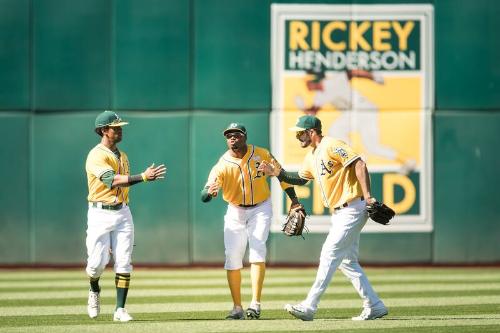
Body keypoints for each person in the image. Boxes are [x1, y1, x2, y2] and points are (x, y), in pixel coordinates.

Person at [259, 115, 388, 321]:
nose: (298, 136)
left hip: (353, 207)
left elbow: (360, 164)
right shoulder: (312, 155)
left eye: (300, 133)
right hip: (339, 213)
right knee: (347, 261)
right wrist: (277, 173)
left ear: (312, 132)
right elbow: (299, 179)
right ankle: (374, 305)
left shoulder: (332, 145)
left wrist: (369, 196)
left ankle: (309, 306)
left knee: (329, 254)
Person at [201, 122, 303, 320]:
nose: (232, 138)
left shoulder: (262, 154)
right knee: (232, 257)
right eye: (229, 135)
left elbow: (282, 177)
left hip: (260, 208)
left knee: (257, 248)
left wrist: (295, 201)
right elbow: (204, 195)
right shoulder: (222, 165)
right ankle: (237, 308)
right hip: (235, 211)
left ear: (245, 136)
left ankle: (255, 304)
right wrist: (209, 192)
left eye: (236, 135)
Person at [85, 110, 166, 322]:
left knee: (123, 260)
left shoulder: (123, 156)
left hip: (122, 212)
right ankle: (94, 289)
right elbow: (111, 180)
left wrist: (142, 177)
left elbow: (123, 183)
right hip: (99, 213)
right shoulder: (96, 155)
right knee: (96, 265)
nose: (120, 130)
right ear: (104, 130)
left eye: (120, 127)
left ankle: (119, 309)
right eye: (115, 127)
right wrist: (143, 176)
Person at [295, 69, 415, 175]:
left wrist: (372, 76)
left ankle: (355, 155)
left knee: (335, 130)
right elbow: (313, 113)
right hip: (360, 112)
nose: (306, 84)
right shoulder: (319, 95)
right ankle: (407, 161)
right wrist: (303, 108)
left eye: (308, 80)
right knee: (373, 147)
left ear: (315, 79)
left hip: (363, 108)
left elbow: (351, 73)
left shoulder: (333, 81)